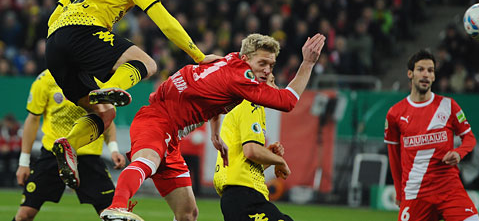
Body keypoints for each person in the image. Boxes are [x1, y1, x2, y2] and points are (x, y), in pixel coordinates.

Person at [45, 0, 217, 190]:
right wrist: (198, 55)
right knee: (147, 62)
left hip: (54, 42)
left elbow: (57, 12)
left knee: (105, 113)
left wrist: (63, 44)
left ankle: (69, 144)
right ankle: (110, 87)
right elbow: (165, 21)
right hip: (84, 30)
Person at [100, 33, 325, 221]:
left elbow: (216, 95)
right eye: (262, 64)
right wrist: (307, 64)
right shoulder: (243, 79)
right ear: (246, 59)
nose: (267, 71)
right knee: (148, 160)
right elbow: (287, 101)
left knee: (188, 214)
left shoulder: (226, 60)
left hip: (172, 133)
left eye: (271, 65)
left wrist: (215, 134)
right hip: (157, 119)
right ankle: (116, 208)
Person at [13, 69, 126, 221]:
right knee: (24, 215)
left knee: (112, 215)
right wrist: (24, 162)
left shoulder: (96, 79)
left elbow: (106, 118)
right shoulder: (45, 80)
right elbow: (32, 120)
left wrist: (113, 149)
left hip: (88, 156)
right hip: (54, 154)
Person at [384, 50, 479, 221]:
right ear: (410, 74)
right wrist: (399, 193)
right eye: (420, 69)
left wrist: (459, 152)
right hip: (415, 193)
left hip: (449, 189)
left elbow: (470, 138)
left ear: (434, 76)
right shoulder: (395, 113)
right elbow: (394, 156)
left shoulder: (448, 105)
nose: (426, 74)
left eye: (430, 70)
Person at [213, 74, 293, 221]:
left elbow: (244, 163)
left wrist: (269, 157)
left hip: (239, 196)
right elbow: (251, 150)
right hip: (244, 196)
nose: (276, 88)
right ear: (259, 83)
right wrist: (280, 161)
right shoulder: (250, 103)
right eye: (272, 82)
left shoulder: (246, 106)